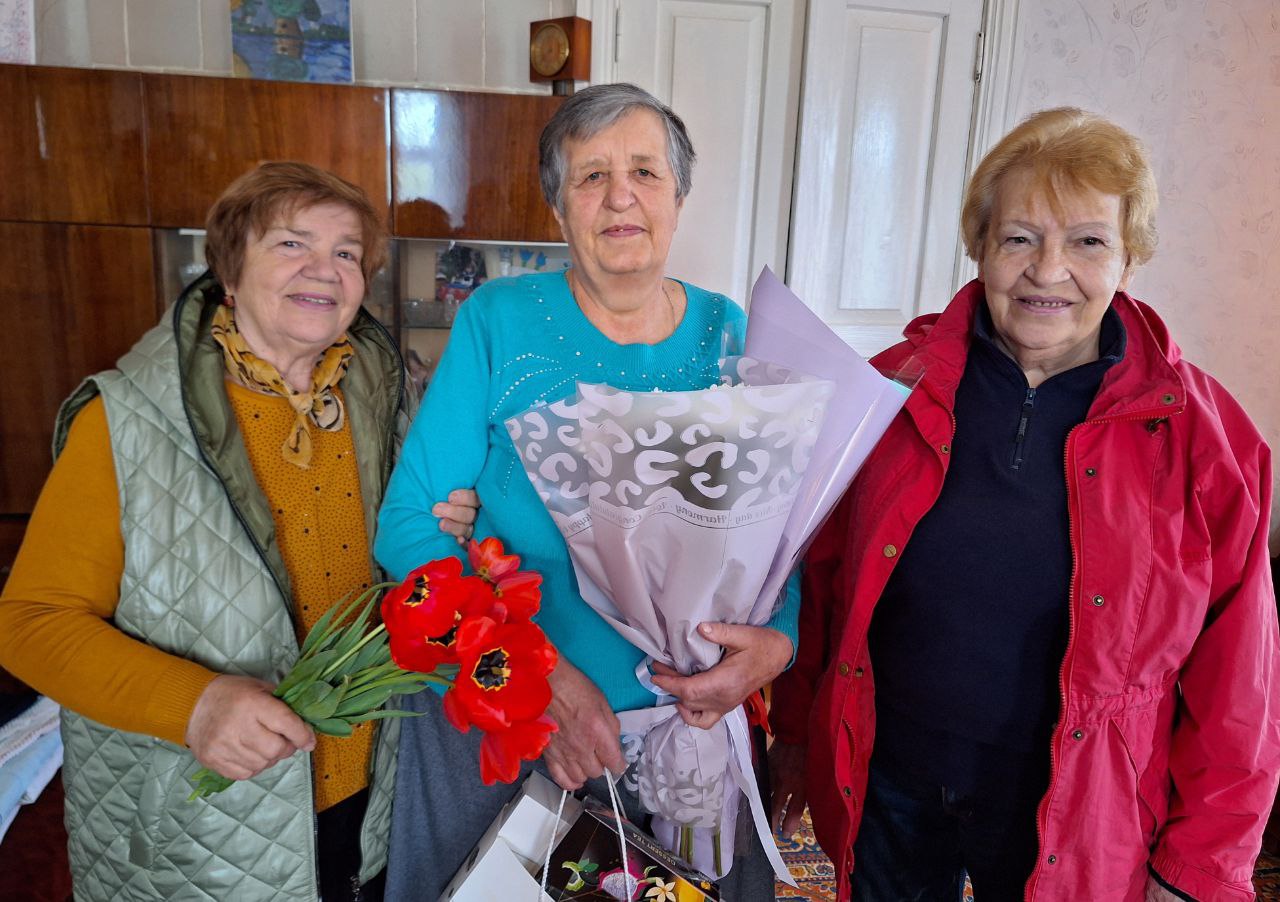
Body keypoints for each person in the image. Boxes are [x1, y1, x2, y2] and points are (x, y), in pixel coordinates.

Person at [769, 107, 1279, 902]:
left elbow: (1240, 677)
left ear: (1130, 258)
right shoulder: (889, 389)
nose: (1048, 270)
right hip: (891, 779)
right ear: (979, 245)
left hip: (1077, 806)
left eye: (1088, 242)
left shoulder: (1204, 437)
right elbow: (825, 584)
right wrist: (797, 735)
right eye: (1019, 238)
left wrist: (1200, 865)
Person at [0, 161, 476, 901]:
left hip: (369, 804)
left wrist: (450, 525)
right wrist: (193, 703)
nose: (324, 269)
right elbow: (32, 622)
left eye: (346, 252)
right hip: (200, 837)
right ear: (229, 271)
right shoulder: (125, 421)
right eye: (291, 244)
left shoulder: (390, 408)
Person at [374, 82, 799, 900]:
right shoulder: (497, 320)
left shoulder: (728, 334)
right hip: (513, 726)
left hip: (688, 735)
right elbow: (407, 527)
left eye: (644, 171)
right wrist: (541, 687)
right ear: (558, 208)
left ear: (678, 196)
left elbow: (780, 535)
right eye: (591, 176)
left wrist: (774, 644)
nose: (620, 196)